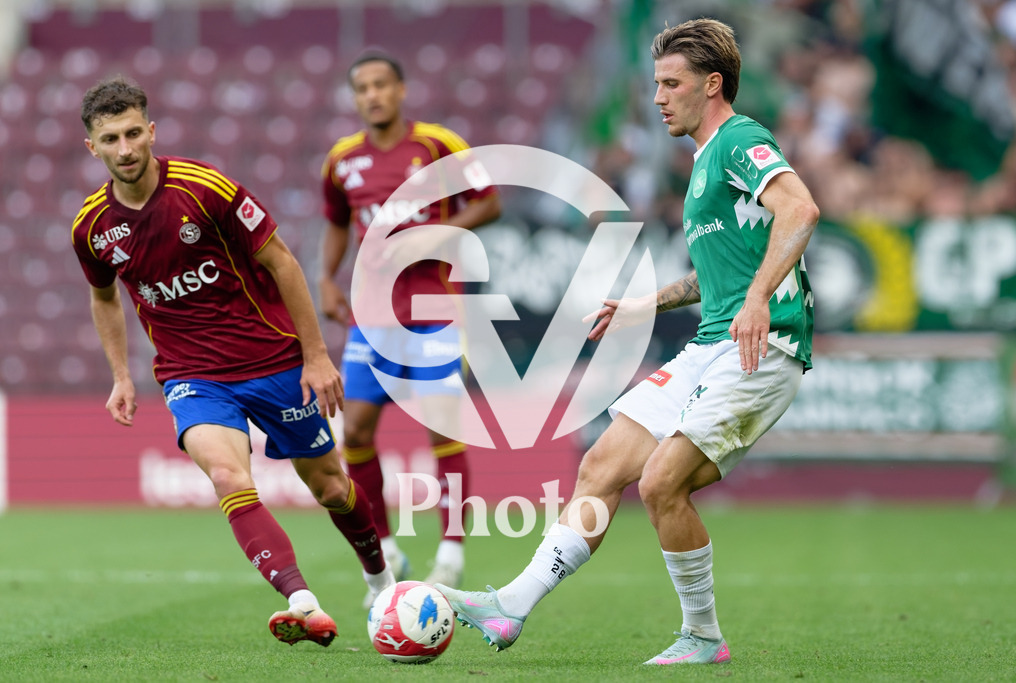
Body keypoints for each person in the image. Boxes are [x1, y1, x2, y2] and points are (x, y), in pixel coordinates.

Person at [437, 18, 819, 666]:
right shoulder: (704, 162)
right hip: (711, 343)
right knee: (603, 465)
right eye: (656, 84)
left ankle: (703, 636)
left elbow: (801, 209)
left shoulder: (739, 140)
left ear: (713, 84)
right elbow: (725, 269)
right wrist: (649, 301)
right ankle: (512, 604)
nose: (659, 97)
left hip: (764, 344)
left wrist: (757, 300)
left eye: (672, 83)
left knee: (661, 482)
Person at [71, 76, 396, 647]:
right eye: (109, 139)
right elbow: (103, 297)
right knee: (227, 475)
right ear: (91, 147)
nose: (124, 149)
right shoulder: (92, 228)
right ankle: (303, 602)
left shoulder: (205, 188)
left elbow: (283, 263)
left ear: (151, 132)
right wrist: (121, 374)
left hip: (272, 361)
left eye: (131, 134)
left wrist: (316, 356)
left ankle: (380, 578)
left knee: (330, 488)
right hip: (192, 376)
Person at [319, 52, 501, 604]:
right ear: (355, 97)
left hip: (433, 311)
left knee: (442, 429)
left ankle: (452, 551)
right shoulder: (341, 161)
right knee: (354, 434)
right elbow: (335, 223)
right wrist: (325, 278)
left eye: (381, 84)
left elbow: (489, 203)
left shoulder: (439, 145)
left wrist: (437, 234)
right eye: (362, 88)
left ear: (400, 89)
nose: (372, 95)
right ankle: (385, 547)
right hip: (369, 316)